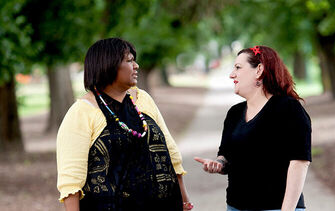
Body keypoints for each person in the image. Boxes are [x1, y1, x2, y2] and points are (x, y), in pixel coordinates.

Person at [56, 38, 193, 211]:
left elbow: (170, 152)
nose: (136, 65)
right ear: (108, 65)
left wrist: (184, 198)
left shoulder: (143, 99)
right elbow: (71, 182)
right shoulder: (81, 113)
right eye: (129, 60)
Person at [194, 45, 311, 211]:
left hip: (277, 207)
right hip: (235, 206)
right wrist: (218, 164)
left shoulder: (289, 109)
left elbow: (299, 162)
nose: (231, 74)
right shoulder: (234, 113)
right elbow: (226, 155)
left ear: (259, 70)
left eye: (238, 68)